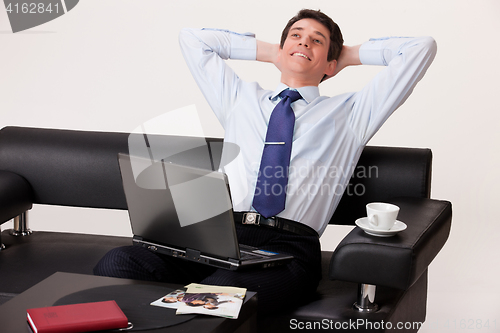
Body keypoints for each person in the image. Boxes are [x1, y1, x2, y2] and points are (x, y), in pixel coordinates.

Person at [94, 9, 437, 314]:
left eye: (317, 41)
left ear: (331, 64)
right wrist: (276, 52)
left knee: (215, 297)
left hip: (287, 248)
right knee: (118, 263)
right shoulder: (239, 98)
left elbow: (421, 48)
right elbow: (193, 40)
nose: (304, 42)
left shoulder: (352, 113)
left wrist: (345, 55)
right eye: (296, 36)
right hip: (218, 236)